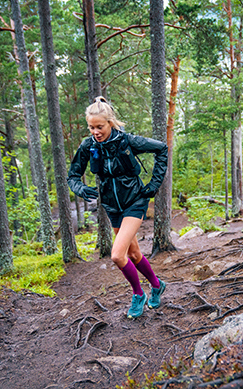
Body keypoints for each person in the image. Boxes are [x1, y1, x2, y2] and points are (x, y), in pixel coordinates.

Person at [68, 96, 168, 319]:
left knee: (116, 255)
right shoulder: (88, 146)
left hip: (134, 201)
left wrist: (153, 185)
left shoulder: (127, 141)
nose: (95, 131)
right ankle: (157, 284)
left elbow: (162, 149)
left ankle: (138, 294)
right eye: (91, 127)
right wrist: (81, 189)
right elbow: (72, 175)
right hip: (112, 207)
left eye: (100, 126)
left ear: (110, 123)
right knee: (133, 253)